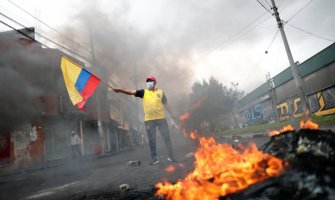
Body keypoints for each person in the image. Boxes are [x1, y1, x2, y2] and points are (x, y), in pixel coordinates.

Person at [113, 75, 177, 165]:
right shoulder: (143, 92)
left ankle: (171, 156)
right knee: (152, 140)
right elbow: (131, 92)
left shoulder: (161, 92)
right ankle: (154, 159)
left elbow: (166, 104)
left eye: (150, 81)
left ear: (155, 83)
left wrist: (172, 115)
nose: (148, 83)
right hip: (149, 121)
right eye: (147, 81)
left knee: (167, 138)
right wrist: (120, 90)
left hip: (161, 119)